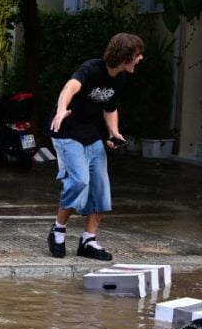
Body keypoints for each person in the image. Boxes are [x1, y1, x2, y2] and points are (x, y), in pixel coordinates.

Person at [47, 33, 144, 261]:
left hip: (90, 134)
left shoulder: (120, 78)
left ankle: (88, 241)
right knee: (79, 181)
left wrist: (114, 132)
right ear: (126, 56)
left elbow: (110, 107)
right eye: (138, 55)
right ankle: (58, 229)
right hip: (66, 132)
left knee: (100, 188)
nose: (140, 59)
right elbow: (69, 89)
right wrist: (61, 109)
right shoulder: (91, 69)